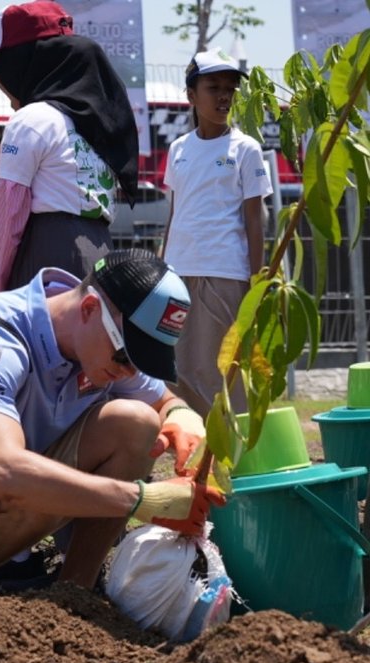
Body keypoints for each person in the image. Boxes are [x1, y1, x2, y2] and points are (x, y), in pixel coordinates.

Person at [0, 249, 225, 598]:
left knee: (135, 423)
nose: (130, 371)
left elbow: (162, 402)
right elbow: (2, 471)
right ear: (89, 309)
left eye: (142, 362)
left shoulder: (97, 340)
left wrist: (180, 416)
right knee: (22, 475)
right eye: (127, 356)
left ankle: (75, 590)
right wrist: (140, 499)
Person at [0, 0, 139, 293]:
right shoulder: (95, 123)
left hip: (48, 261)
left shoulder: (32, 120)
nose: (0, 86)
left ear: (22, 64)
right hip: (101, 254)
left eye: (1, 72)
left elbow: (7, 216)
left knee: (42, 339)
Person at [162, 47, 273, 417]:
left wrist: (256, 280)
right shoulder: (178, 149)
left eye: (229, 88)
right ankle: (198, 449)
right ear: (192, 96)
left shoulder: (246, 149)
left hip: (224, 272)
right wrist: (162, 271)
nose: (224, 96)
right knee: (176, 368)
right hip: (178, 274)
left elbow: (255, 219)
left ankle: (232, 452)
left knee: (217, 370)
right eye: (213, 87)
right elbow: (174, 213)